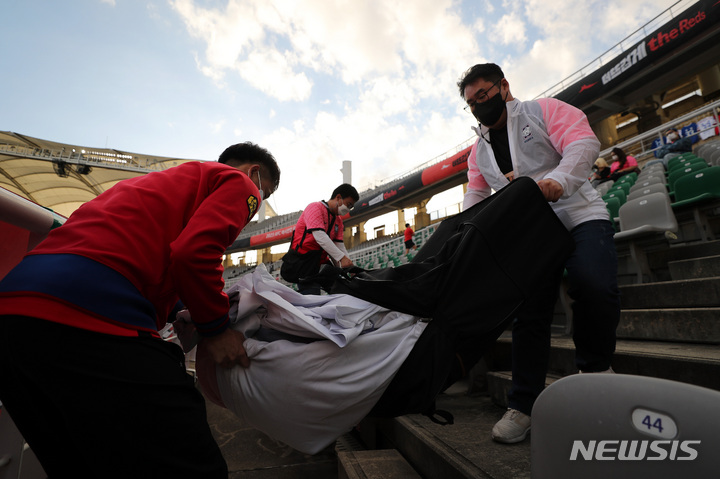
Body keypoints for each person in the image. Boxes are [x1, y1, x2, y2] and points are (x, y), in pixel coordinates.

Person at [0, 142, 281, 478]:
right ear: (252, 174)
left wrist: (183, 307)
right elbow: (194, 254)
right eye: (265, 193)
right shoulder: (240, 183)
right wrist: (217, 328)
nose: (258, 201)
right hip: (90, 311)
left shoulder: (147, 187)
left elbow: (151, 260)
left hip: (12, 312)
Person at [457, 63, 620, 444]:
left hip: (577, 212)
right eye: (471, 102)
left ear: (503, 86)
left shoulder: (543, 110)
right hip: (531, 231)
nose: (479, 104)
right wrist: (467, 229)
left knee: (593, 284)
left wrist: (557, 181)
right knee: (529, 314)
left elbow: (582, 142)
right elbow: (477, 194)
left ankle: (595, 370)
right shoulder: (477, 152)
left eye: (484, 95)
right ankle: (524, 404)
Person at [281, 183, 359, 295]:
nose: (348, 209)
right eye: (348, 204)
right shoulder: (314, 207)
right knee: (312, 296)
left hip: (320, 262)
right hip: (303, 262)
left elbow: (339, 245)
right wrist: (342, 259)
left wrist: (348, 268)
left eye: (351, 206)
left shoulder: (338, 221)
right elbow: (320, 236)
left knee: (342, 289)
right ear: (338, 198)